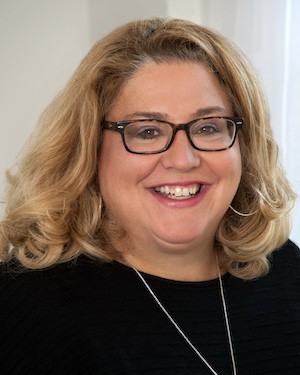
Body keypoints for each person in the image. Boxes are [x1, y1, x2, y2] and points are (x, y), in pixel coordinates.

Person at [0, 17, 299, 375]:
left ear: (244, 147)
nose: (183, 159)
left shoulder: (285, 272)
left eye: (208, 127)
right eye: (147, 132)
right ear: (89, 149)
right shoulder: (26, 308)